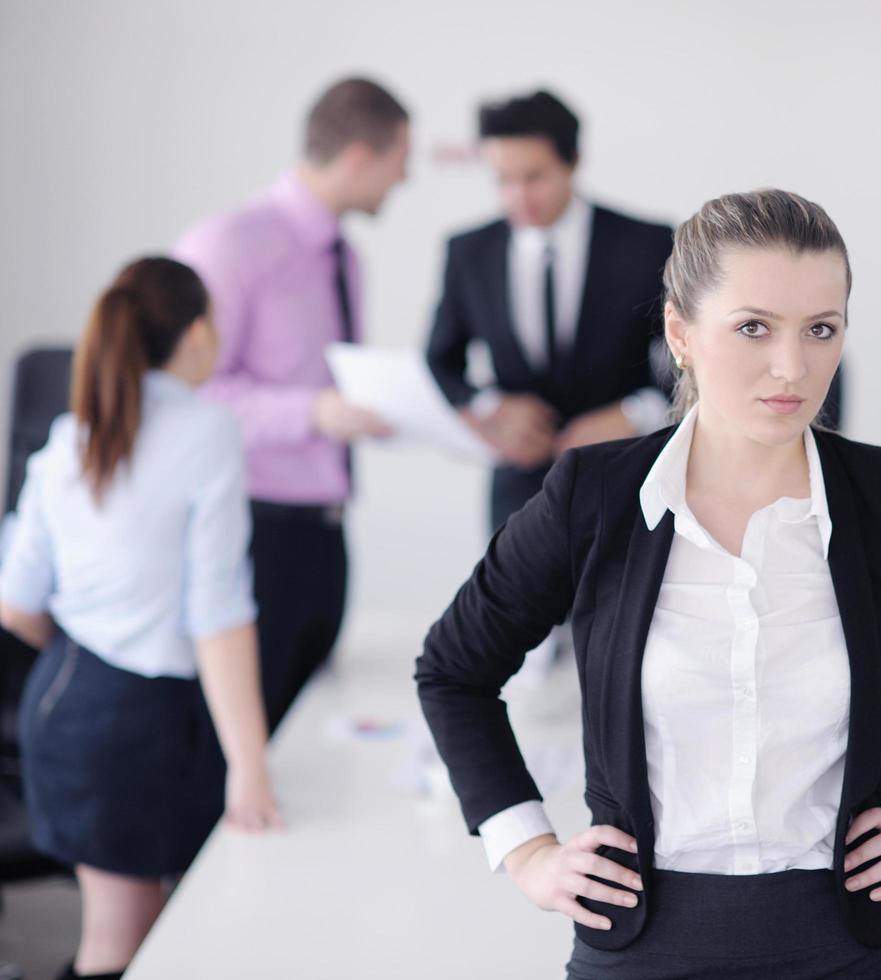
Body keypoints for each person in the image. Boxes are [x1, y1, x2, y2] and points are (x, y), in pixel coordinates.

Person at [417, 189, 881, 978]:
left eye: (820, 330)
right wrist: (526, 850)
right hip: (641, 943)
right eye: (754, 327)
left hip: (843, 947)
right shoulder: (593, 495)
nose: (792, 366)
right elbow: (454, 670)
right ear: (680, 334)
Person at [0, 257, 280, 980]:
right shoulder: (207, 431)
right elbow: (218, 617)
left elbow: (15, 601)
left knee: (138, 938)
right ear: (193, 335)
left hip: (67, 703)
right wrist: (250, 767)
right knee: (124, 949)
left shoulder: (70, 436)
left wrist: (88, 642)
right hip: (132, 724)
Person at [174, 77, 410, 731]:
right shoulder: (227, 245)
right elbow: (186, 395)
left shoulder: (345, 258)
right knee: (248, 740)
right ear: (360, 157)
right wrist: (312, 413)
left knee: (312, 731)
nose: (405, 179)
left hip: (326, 534)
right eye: (399, 162)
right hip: (254, 533)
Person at [425, 89, 677, 535]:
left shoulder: (648, 244)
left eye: (534, 176)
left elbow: (688, 352)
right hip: (517, 495)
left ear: (573, 161)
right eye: (503, 180)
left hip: (629, 481)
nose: (518, 196)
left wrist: (638, 413)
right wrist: (491, 407)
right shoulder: (468, 252)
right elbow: (440, 361)